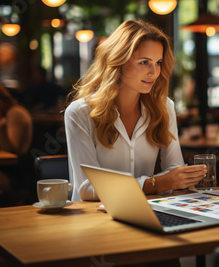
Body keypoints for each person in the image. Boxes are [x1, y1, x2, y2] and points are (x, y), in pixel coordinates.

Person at [65, 20, 206, 202]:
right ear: (118, 61)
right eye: (144, 62)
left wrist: (179, 178)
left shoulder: (164, 106)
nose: (154, 72)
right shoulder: (80, 113)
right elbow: (87, 188)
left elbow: (174, 170)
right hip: (93, 219)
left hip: (146, 212)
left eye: (158, 62)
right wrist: (155, 184)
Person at [0, 80, 34, 204]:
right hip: (4, 170)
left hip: (18, 175)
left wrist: (0, 127)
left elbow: (10, 151)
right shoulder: (3, 115)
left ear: (2, 95)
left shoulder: (15, 113)